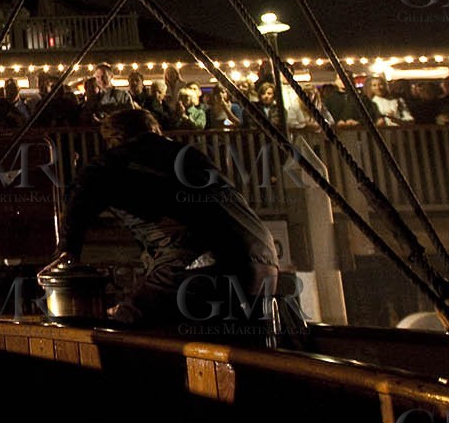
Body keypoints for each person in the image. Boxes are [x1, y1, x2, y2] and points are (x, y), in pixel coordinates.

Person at [52, 108, 282, 336]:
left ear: (115, 139)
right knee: (249, 346)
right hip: (264, 258)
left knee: (125, 330)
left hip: (202, 261)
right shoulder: (190, 154)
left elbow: (79, 197)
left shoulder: (114, 161)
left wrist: (66, 252)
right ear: (155, 129)